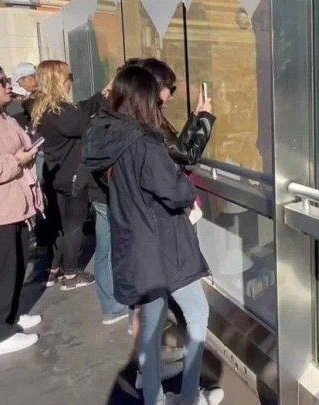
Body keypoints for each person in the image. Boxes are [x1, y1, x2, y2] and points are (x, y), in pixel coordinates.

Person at [83, 66, 222, 405]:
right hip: (163, 246)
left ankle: (154, 399)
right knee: (198, 312)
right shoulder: (143, 143)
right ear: (145, 98)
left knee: (151, 323)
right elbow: (175, 190)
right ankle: (189, 397)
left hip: (134, 244)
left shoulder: (103, 133)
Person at [31, 60, 105, 290]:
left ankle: (55, 269)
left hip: (57, 176)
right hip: (72, 177)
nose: (71, 80)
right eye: (69, 75)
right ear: (59, 80)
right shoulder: (62, 112)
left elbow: (82, 109)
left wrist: (103, 93)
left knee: (63, 225)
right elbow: (84, 121)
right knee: (74, 226)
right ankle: (71, 275)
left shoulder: (44, 109)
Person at [0, 65, 43, 355]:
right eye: (1, 82)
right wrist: (19, 159)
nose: (8, 86)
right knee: (5, 271)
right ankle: (1, 334)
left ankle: (11, 316)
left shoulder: (5, 116)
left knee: (16, 267)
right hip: (3, 210)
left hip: (16, 206)